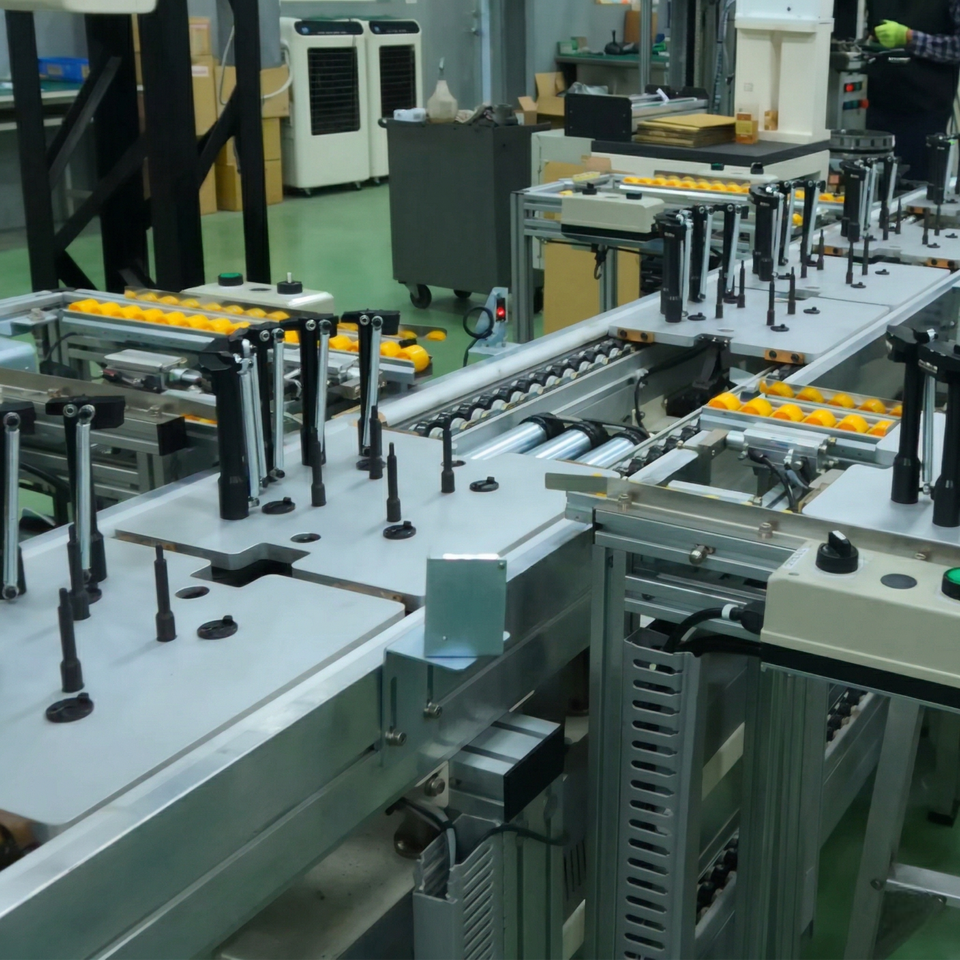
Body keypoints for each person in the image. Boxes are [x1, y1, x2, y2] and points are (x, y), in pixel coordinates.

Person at [866, 4, 960, 180]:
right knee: (874, 183)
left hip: (925, 112)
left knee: (915, 184)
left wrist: (910, 38)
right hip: (877, 107)